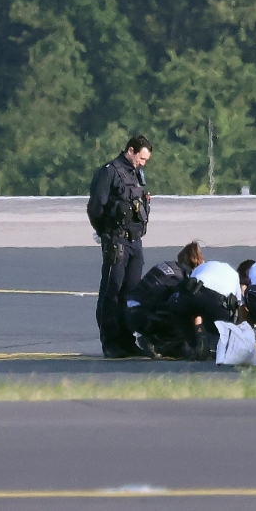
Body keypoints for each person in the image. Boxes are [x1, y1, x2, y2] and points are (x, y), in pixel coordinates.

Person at [87, 135, 153, 358]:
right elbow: (96, 207)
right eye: (141, 158)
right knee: (111, 293)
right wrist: (106, 235)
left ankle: (127, 340)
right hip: (117, 241)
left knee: (131, 293)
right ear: (131, 150)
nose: (143, 163)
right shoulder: (109, 171)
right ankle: (111, 342)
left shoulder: (135, 173)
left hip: (135, 241)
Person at [124, 241, 204, 358]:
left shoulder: (168, 265)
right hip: (144, 316)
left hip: (130, 311)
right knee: (184, 314)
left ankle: (151, 337)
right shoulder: (180, 277)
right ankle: (158, 343)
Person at [160, 260, 244, 361]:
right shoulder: (234, 275)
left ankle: (193, 345)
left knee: (176, 308)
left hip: (194, 295)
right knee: (218, 329)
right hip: (218, 304)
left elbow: (188, 285)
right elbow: (238, 306)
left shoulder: (202, 267)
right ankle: (215, 348)